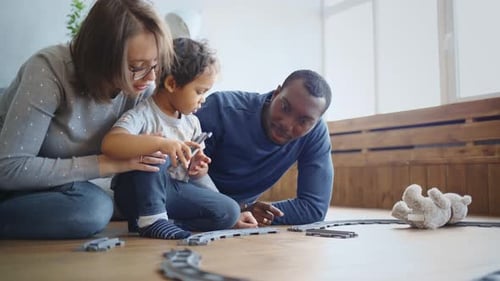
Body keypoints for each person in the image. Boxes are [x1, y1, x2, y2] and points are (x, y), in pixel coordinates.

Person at [0, 0, 174, 239]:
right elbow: (9, 168)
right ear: (102, 56)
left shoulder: (140, 87)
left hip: (56, 186)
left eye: (156, 65)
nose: (151, 78)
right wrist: (108, 164)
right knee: (95, 209)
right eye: (137, 66)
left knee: (121, 198)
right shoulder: (49, 70)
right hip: (11, 183)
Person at [101, 38, 254, 240]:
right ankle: (152, 220)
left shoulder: (192, 124)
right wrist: (159, 143)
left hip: (173, 192)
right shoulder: (143, 114)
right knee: (156, 152)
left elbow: (191, 175)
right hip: (134, 193)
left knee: (230, 210)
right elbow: (110, 143)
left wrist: (198, 170)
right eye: (200, 91)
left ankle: (167, 223)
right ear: (172, 83)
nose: (203, 99)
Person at [194, 69, 333, 226]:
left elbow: (314, 208)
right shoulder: (220, 109)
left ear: (314, 123)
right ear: (276, 93)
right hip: (187, 207)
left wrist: (250, 213)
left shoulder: (315, 133)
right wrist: (236, 212)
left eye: (303, 121)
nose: (287, 124)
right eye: (285, 107)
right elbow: (177, 179)